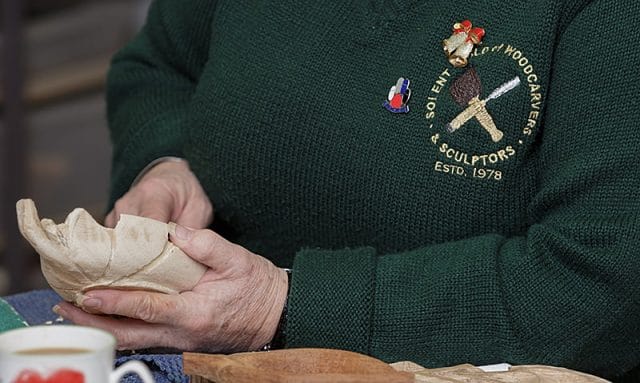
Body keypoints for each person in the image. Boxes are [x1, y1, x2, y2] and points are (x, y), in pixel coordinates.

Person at [52, 0, 640, 380]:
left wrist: (281, 307)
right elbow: (157, 68)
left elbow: (605, 289)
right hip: (192, 357)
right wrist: (167, 160)